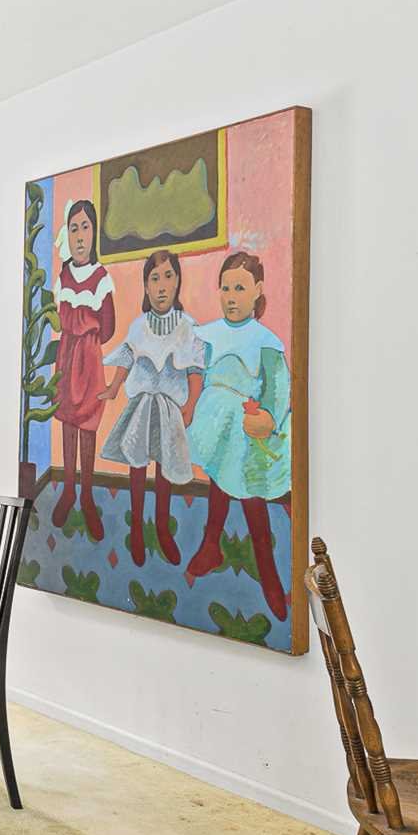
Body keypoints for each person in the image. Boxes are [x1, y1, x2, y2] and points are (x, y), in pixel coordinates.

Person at [184, 250, 293, 619]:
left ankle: (268, 573)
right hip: (217, 424)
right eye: (226, 288)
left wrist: (269, 417)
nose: (231, 297)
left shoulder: (265, 341)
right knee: (219, 476)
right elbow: (197, 373)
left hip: (249, 430)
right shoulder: (209, 334)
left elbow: (278, 388)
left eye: (240, 288)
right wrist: (190, 405)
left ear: (258, 290)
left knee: (249, 495)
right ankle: (210, 545)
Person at [97, 249, 205, 566]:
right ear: (146, 286)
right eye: (154, 278)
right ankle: (137, 529)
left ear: (177, 281)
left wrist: (191, 405)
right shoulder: (139, 326)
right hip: (142, 405)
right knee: (137, 462)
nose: (161, 285)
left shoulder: (187, 327)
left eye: (168, 276)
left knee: (164, 466)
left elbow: (195, 369)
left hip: (170, 408)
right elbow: (128, 357)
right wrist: (114, 387)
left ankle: (161, 527)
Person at [51, 198, 114, 540]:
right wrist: (73, 330)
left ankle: (87, 496)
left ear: (94, 233)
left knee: (88, 424)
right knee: (68, 423)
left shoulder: (101, 277)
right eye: (73, 228)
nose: (79, 235)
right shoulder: (63, 276)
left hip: (89, 360)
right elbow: (57, 316)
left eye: (85, 227)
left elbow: (109, 326)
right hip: (66, 356)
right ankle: (68, 491)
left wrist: (86, 335)